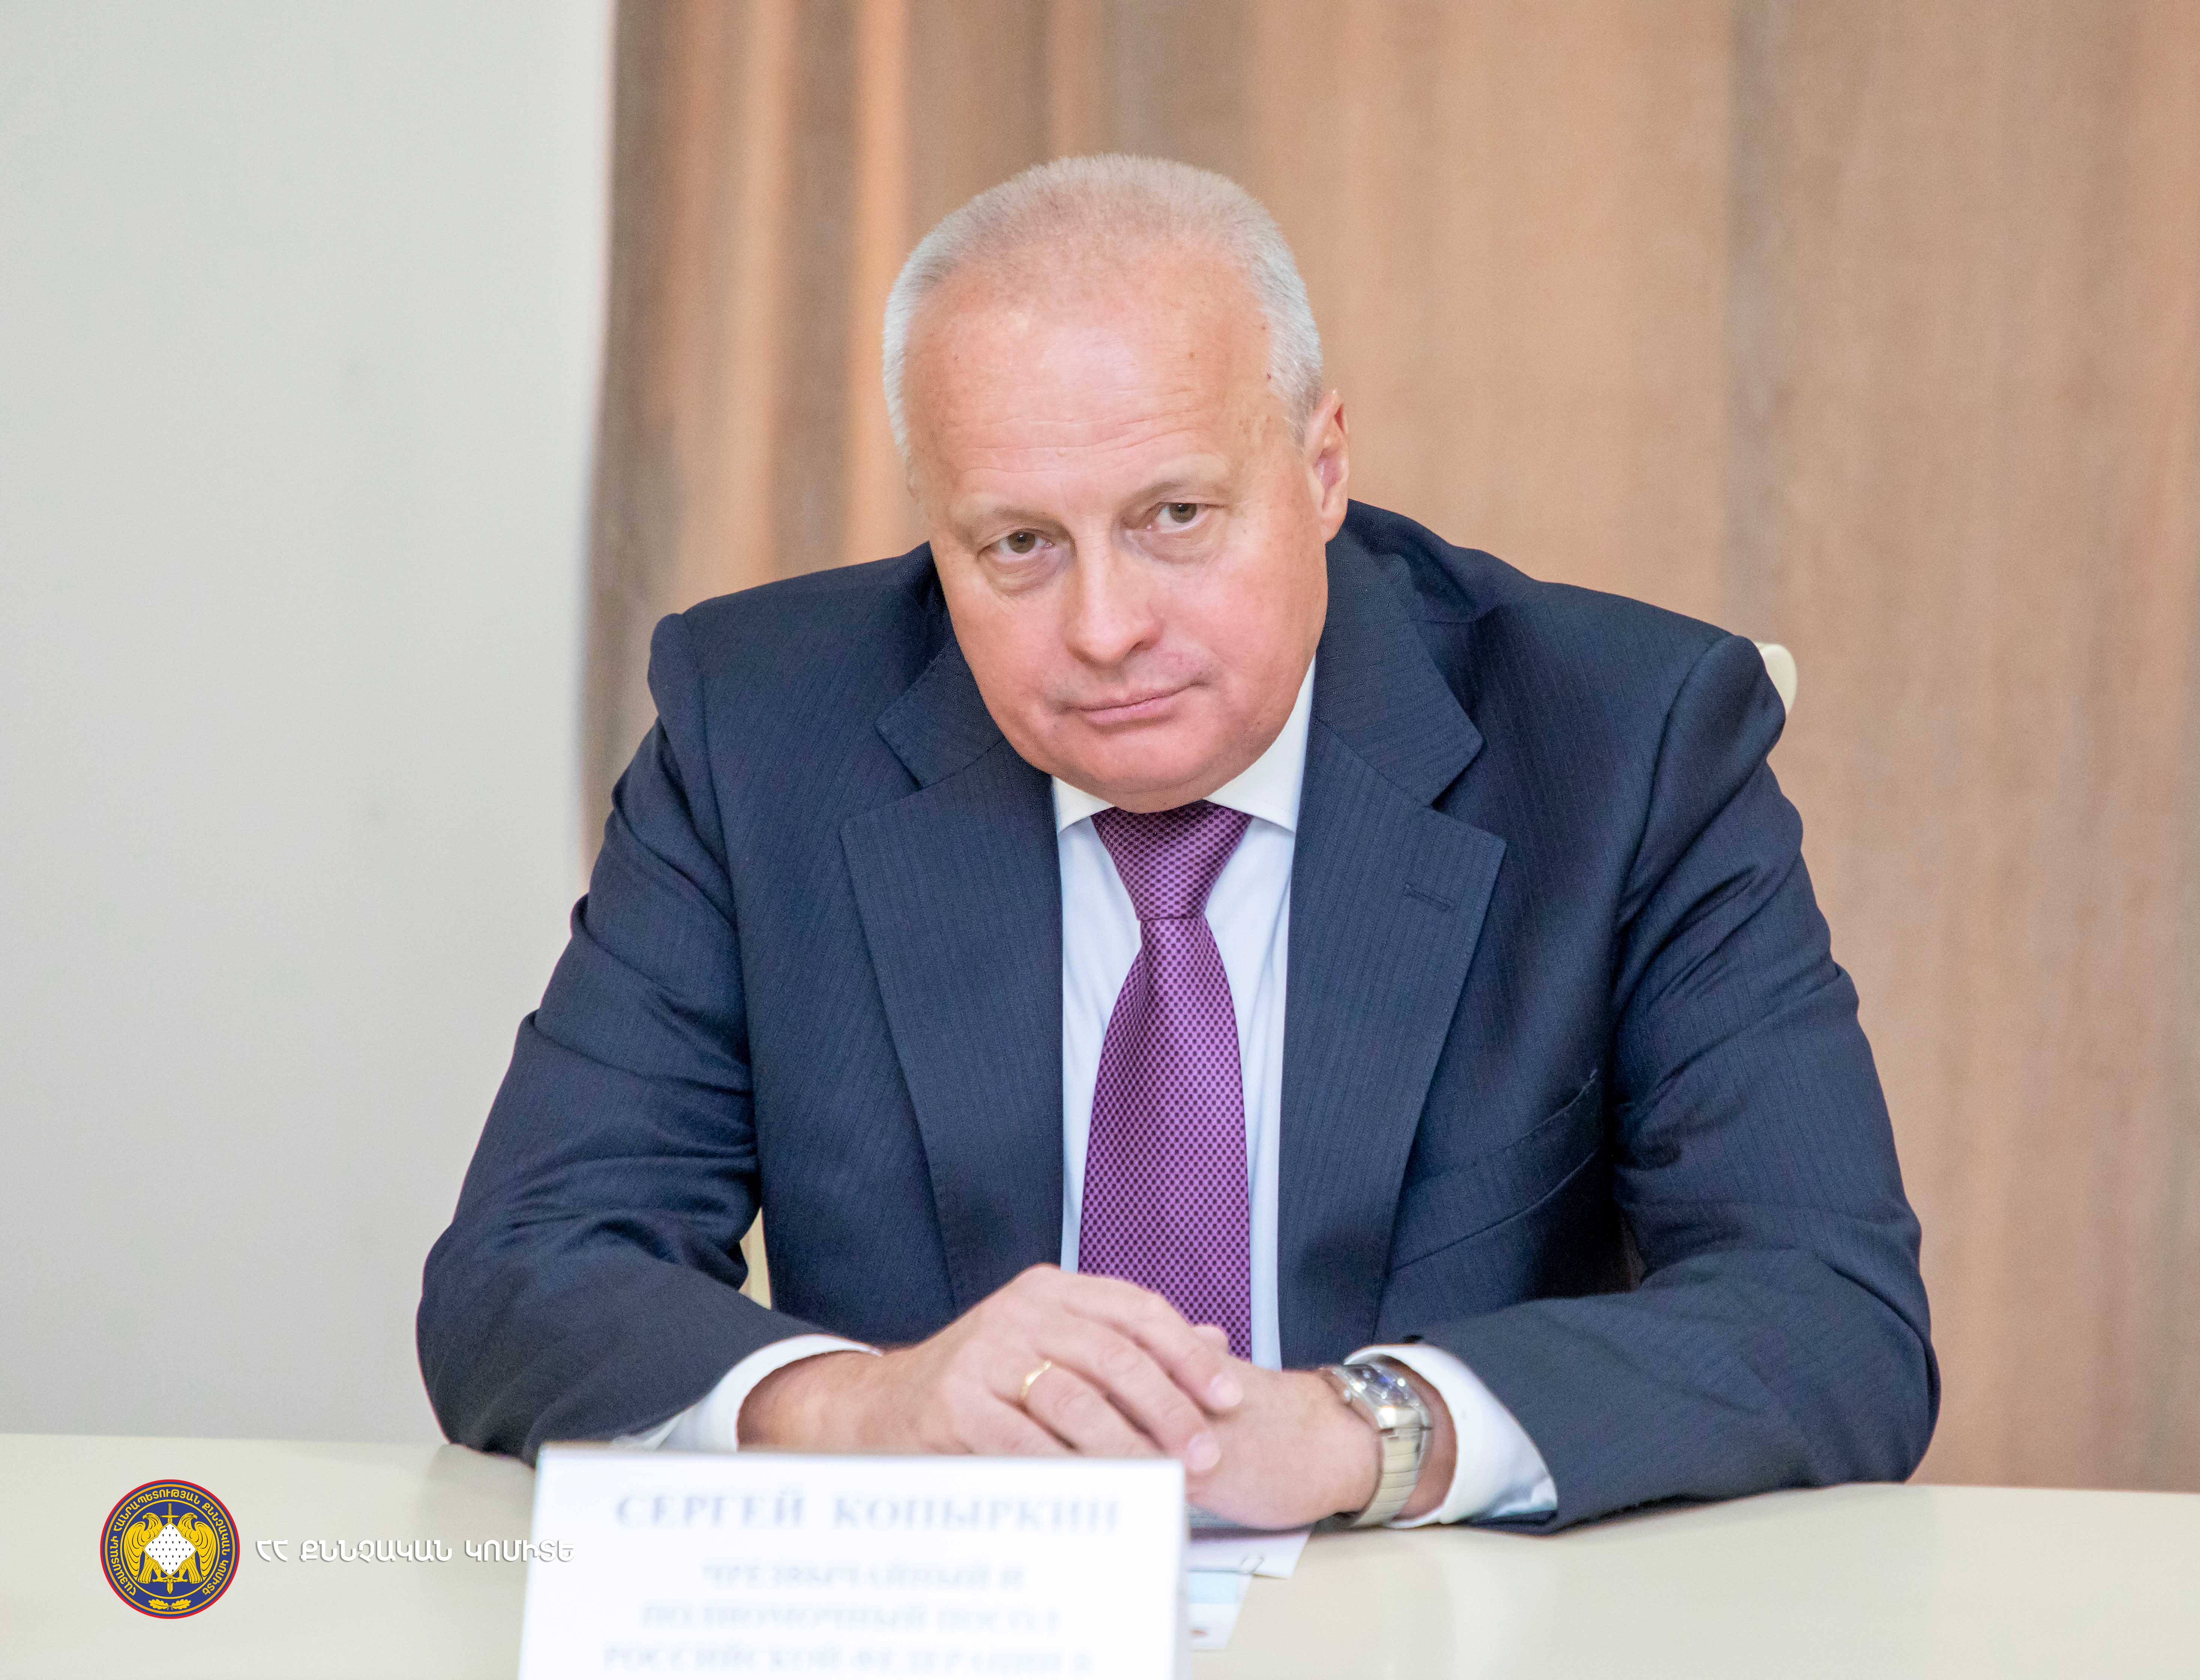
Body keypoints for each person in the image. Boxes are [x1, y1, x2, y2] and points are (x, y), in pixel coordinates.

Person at [419, 155, 1935, 1533]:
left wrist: (1362, 1433)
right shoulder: (763, 734)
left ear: (1324, 468)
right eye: (1019, 544)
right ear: (934, 527)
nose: (1105, 626)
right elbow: (525, 1271)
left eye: (1176, 517)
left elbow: (1831, 1314)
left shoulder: (1621, 742)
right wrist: (861, 1408)